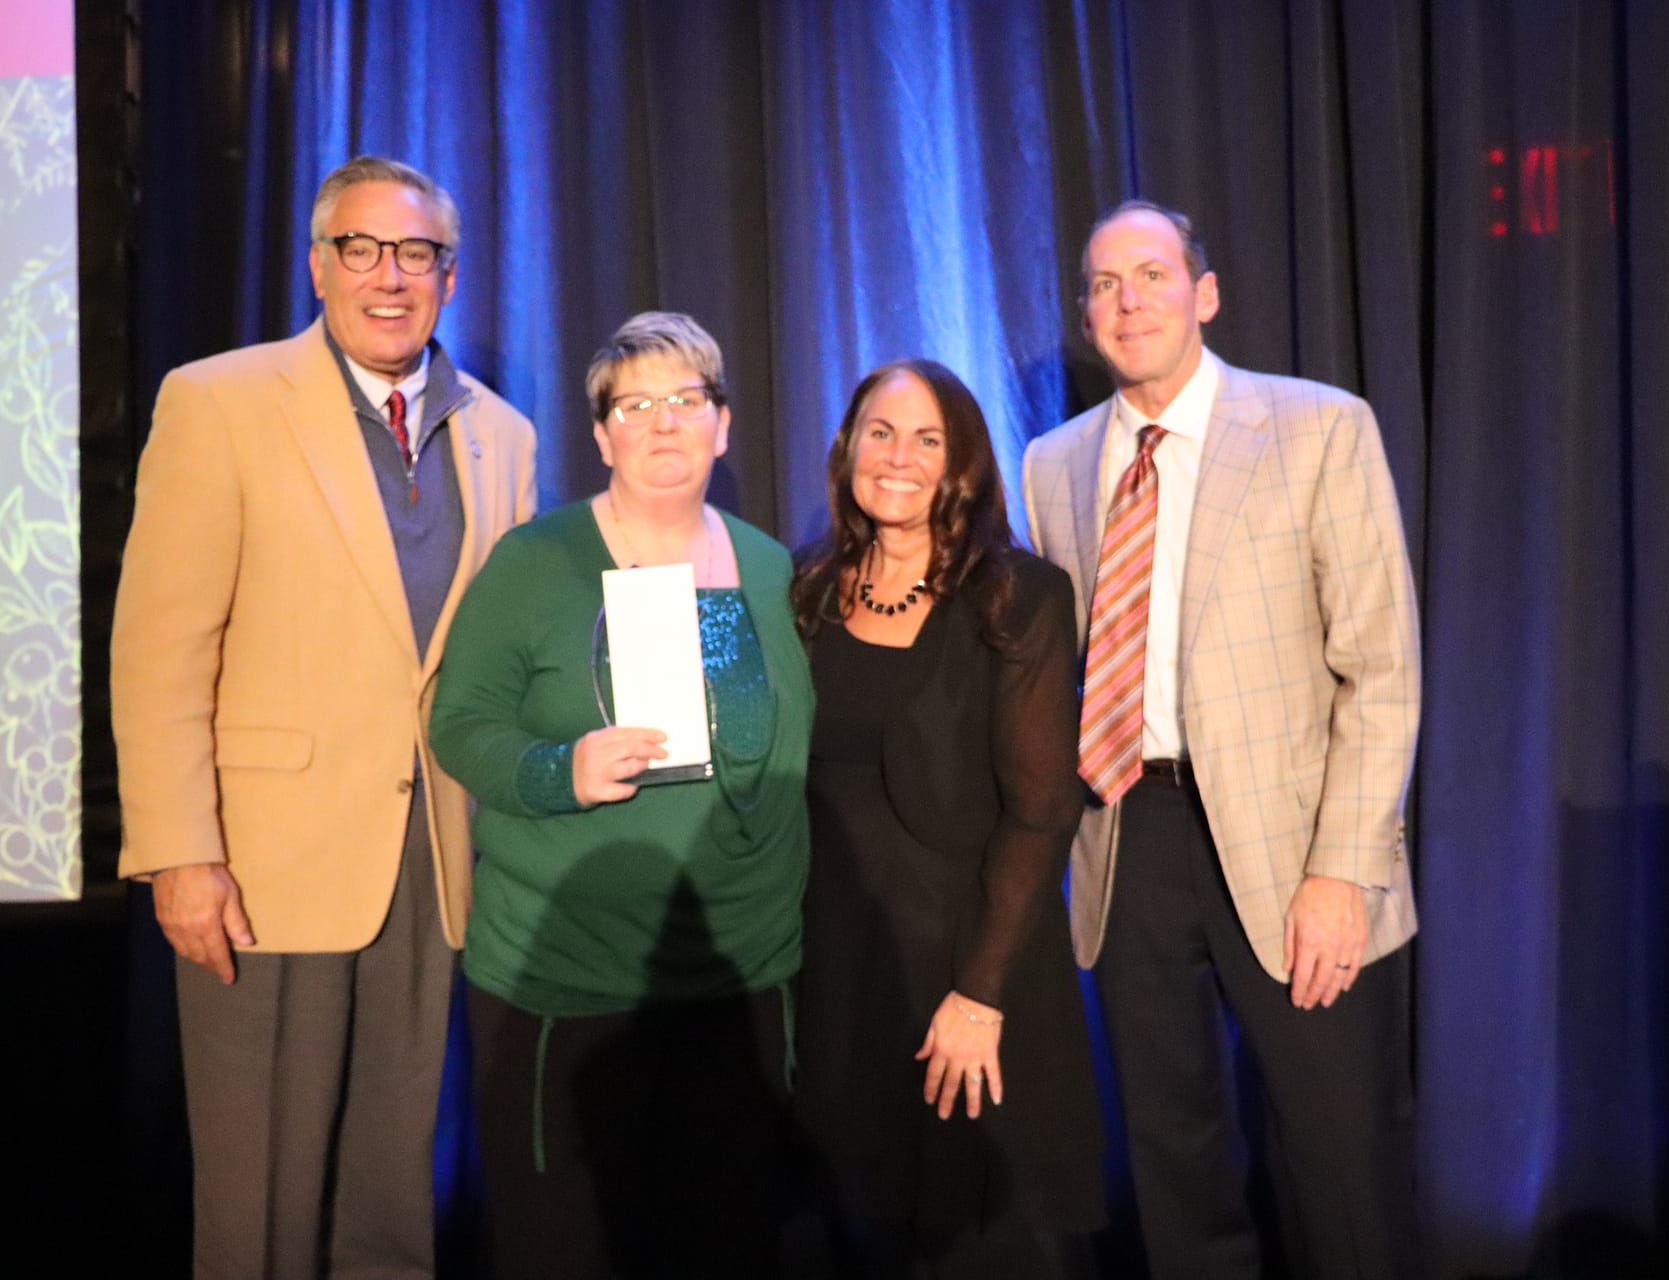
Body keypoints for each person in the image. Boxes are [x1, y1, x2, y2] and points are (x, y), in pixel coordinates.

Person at [110, 155, 536, 1279]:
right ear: (318, 263)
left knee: (394, 1195)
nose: (387, 276)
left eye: (415, 254)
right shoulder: (220, 399)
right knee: (261, 1204)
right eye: (361, 247)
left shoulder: (506, 434)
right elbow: (160, 648)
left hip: (433, 861)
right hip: (262, 867)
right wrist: (179, 852)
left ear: (451, 275)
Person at [1022, 200, 1423, 1279]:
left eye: (1151, 274)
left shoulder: (1318, 426)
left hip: (1294, 846)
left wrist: (1345, 865)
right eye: (1104, 284)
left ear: (1204, 294)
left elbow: (1380, 669)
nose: (1127, 299)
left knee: (1341, 1156)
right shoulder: (1052, 464)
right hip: (1126, 831)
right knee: (1174, 1157)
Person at [428, 311, 812, 1278]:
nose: (663, 422)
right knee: (569, 1249)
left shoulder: (769, 569)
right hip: (570, 989)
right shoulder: (537, 562)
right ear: (601, 435)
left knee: (725, 1246)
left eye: (687, 399)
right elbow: (458, 722)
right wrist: (561, 772)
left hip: (740, 983)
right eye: (635, 404)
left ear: (723, 425)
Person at [791, 359, 1105, 1278]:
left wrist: (979, 991)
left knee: (981, 1242)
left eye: (928, 439)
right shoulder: (803, 588)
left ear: (962, 462)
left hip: (969, 963)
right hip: (838, 968)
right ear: (849, 448)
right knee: (859, 1225)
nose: (899, 457)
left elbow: (1044, 810)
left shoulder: (1020, 597)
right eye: (880, 433)